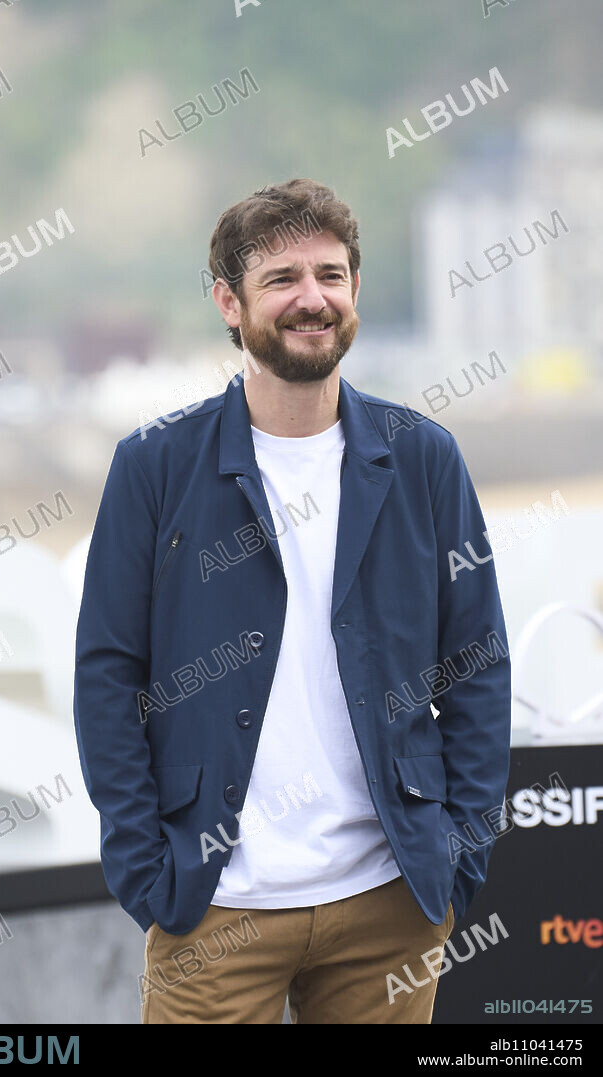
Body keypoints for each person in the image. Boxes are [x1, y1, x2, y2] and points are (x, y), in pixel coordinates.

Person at [73, 177, 511, 1024]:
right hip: (213, 907)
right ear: (228, 303)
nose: (312, 297)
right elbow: (107, 674)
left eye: (330, 274)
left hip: (389, 902)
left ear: (354, 290)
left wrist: (457, 851)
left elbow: (477, 664)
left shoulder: (423, 457)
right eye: (281, 278)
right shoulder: (154, 464)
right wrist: (143, 865)